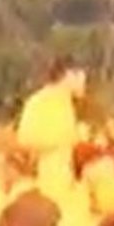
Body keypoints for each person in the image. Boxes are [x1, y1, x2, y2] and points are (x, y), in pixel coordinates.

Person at [16, 59, 87, 190]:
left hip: (67, 177)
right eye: (81, 78)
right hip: (48, 177)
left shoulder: (68, 104)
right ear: (69, 75)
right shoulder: (39, 101)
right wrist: (70, 136)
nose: (84, 85)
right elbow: (25, 138)